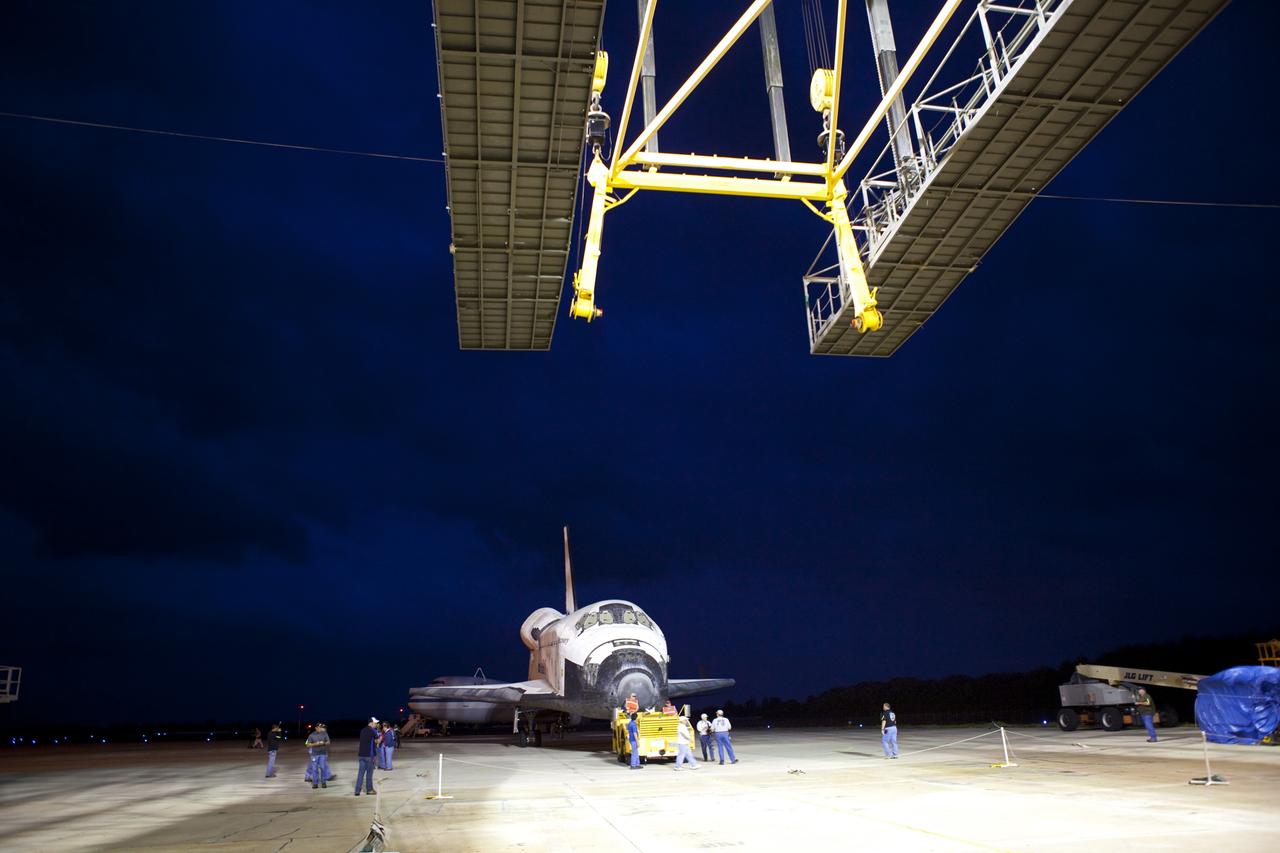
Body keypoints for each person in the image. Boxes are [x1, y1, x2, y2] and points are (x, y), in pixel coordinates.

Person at [355, 717, 379, 795]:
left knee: (360, 773)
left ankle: (357, 790)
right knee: (369, 773)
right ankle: (369, 790)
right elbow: (377, 741)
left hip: (361, 755)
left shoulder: (362, 730)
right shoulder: (373, 730)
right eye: (375, 723)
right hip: (369, 756)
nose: (376, 725)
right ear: (371, 723)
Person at [304, 723, 330, 789]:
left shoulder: (324, 734)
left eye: (321, 727)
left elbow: (328, 742)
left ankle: (323, 782)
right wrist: (316, 744)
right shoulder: (311, 735)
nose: (320, 728)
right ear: (316, 728)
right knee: (314, 769)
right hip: (314, 755)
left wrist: (323, 743)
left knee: (323, 768)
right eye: (318, 727)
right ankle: (315, 783)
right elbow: (307, 745)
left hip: (323, 754)